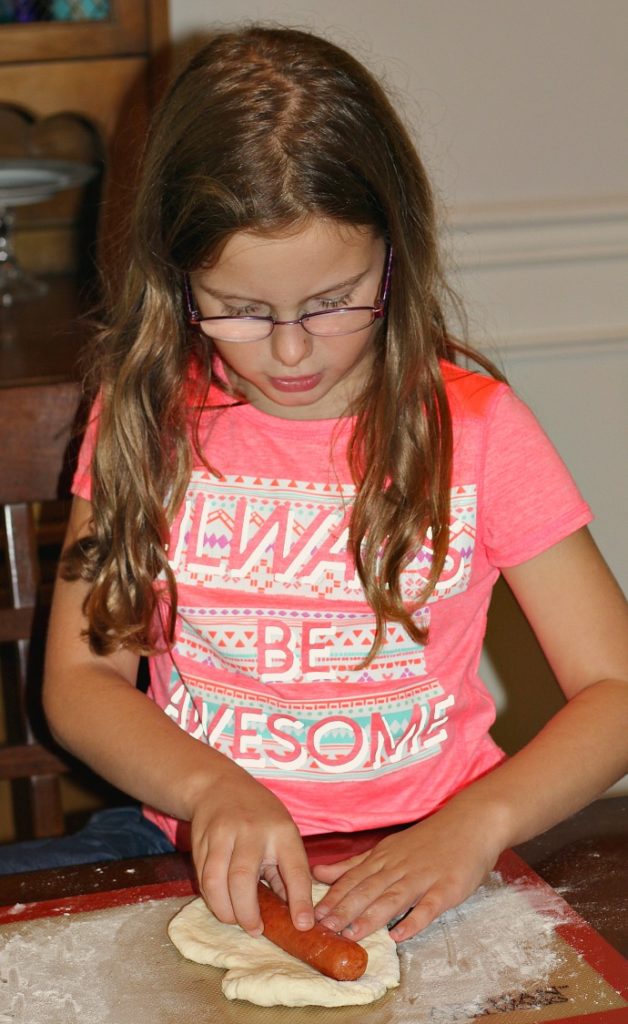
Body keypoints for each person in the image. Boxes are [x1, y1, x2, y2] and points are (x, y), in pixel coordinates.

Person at [12, 25, 628, 945]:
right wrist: (209, 787)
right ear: (176, 282)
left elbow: (615, 687)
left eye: (335, 300)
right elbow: (83, 675)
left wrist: (475, 826)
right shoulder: (146, 422)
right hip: (196, 850)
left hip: (435, 862)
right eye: (241, 311)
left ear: (395, 253)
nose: (293, 350)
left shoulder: (478, 432)